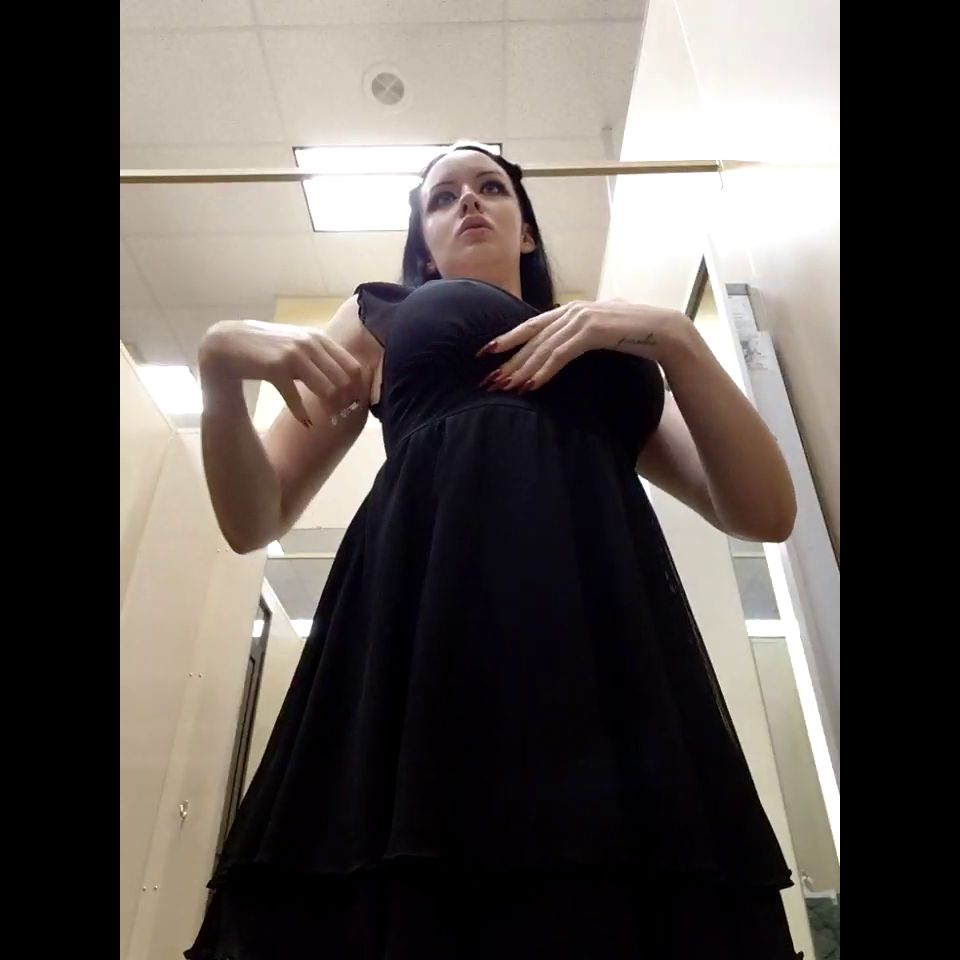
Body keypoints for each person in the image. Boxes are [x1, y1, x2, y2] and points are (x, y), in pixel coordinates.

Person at [186, 142, 801, 959]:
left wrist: (675, 337)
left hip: (596, 633)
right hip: (429, 624)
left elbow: (764, 512)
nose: (468, 202)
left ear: (527, 230)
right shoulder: (383, 315)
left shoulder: (608, 342)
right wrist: (217, 369)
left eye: (490, 187)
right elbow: (254, 517)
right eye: (442, 198)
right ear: (423, 245)